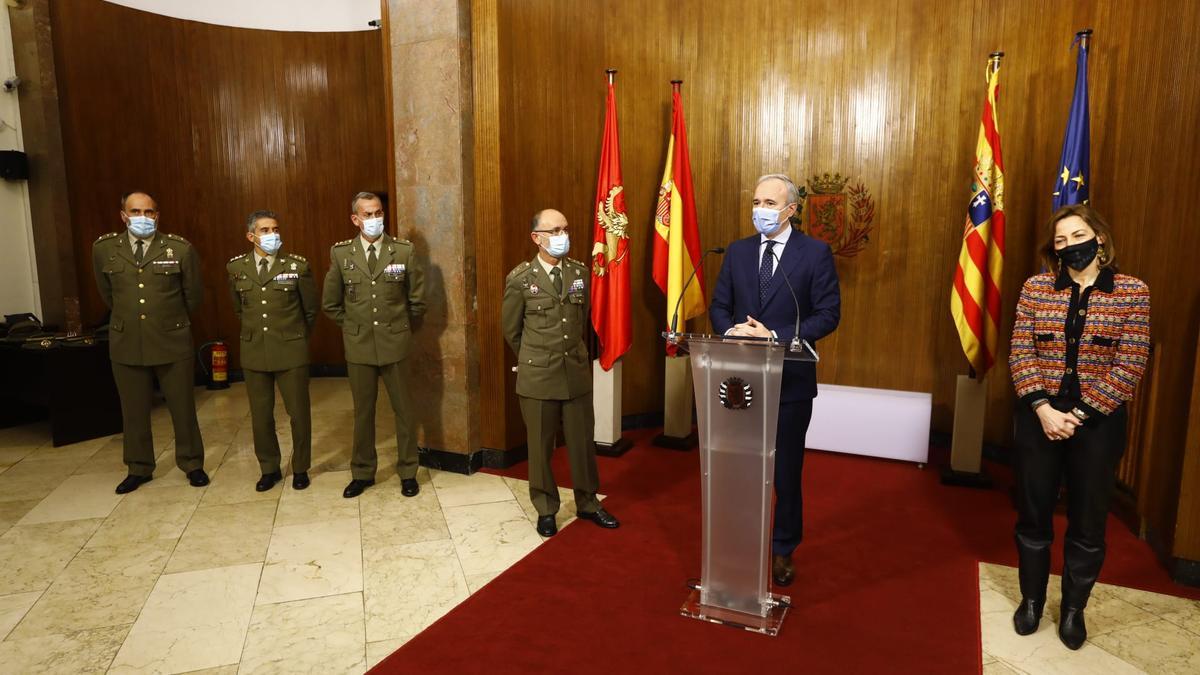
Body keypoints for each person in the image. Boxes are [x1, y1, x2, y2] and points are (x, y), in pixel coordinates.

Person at [1008, 203, 1150, 650]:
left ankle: (1073, 610)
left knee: (1088, 521)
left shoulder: (1131, 292)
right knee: (1033, 514)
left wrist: (1081, 413)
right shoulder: (1036, 288)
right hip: (1039, 416)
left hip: (1098, 422)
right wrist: (1044, 409)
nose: (1069, 245)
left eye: (1077, 235)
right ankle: (1031, 601)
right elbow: (1020, 352)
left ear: (1099, 238)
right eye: (1061, 241)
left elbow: (1131, 362)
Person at [709, 174, 841, 586]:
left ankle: (783, 549)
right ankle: (741, 539)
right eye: (756, 201)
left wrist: (776, 335)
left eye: (769, 202)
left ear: (791, 209)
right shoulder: (737, 251)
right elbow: (719, 305)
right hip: (740, 379)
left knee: (784, 472)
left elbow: (828, 314)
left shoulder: (815, 253)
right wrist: (732, 331)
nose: (760, 210)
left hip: (791, 384)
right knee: (742, 468)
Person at [502, 208, 619, 537]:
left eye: (564, 229)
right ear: (536, 238)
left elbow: (579, 322)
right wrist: (536, 358)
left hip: (575, 372)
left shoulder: (579, 273)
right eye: (554, 231)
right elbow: (512, 331)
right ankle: (546, 507)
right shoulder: (521, 280)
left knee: (582, 442)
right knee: (540, 446)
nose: (562, 236)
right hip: (538, 375)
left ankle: (588, 502)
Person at [92, 191, 208, 493]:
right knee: (133, 410)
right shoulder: (105, 249)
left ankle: (192, 463)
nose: (143, 217)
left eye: (150, 212)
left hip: (171, 339)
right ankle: (139, 467)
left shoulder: (179, 249)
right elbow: (107, 293)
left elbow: (192, 295)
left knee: (183, 407)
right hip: (127, 341)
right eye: (136, 211)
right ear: (123, 215)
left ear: (158, 215)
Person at [322, 192, 425, 499]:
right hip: (359, 346)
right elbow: (330, 303)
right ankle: (363, 472)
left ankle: (408, 472)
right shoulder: (342, 254)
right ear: (356, 219)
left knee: (404, 412)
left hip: (396, 343)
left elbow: (417, 301)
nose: (374, 218)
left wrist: (401, 329)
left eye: (378, 212)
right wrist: (354, 327)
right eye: (367, 214)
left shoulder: (403, 251)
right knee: (362, 412)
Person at [227, 210, 317, 492]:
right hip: (254, 351)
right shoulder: (236, 268)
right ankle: (269, 467)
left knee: (298, 413)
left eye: (275, 229)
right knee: (261, 415)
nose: (272, 235)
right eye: (265, 230)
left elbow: (310, 310)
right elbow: (240, 309)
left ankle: (301, 467)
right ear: (251, 236)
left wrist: (295, 338)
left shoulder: (297, 266)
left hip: (291, 351)